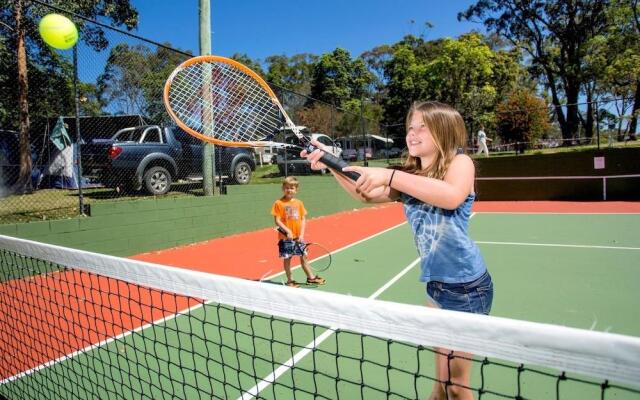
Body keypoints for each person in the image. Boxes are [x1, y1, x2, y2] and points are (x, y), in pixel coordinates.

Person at [302, 101, 493, 400]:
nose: (412, 134)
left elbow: (452, 196)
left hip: (466, 287)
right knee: (441, 384)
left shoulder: (461, 163)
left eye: (422, 128)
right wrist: (328, 161)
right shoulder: (411, 174)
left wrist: (389, 175)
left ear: (444, 132)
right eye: (409, 128)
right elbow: (366, 193)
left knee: (457, 386)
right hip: (437, 286)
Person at [271, 176, 326, 288]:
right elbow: (277, 221)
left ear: (296, 190)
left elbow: (303, 219)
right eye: (287, 187)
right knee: (288, 259)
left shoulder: (299, 203)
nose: (289, 190)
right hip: (286, 239)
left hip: (299, 237)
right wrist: (288, 232)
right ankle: (290, 280)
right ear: (283, 188)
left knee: (304, 256)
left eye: (292, 188)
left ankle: (311, 278)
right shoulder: (278, 203)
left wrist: (301, 234)